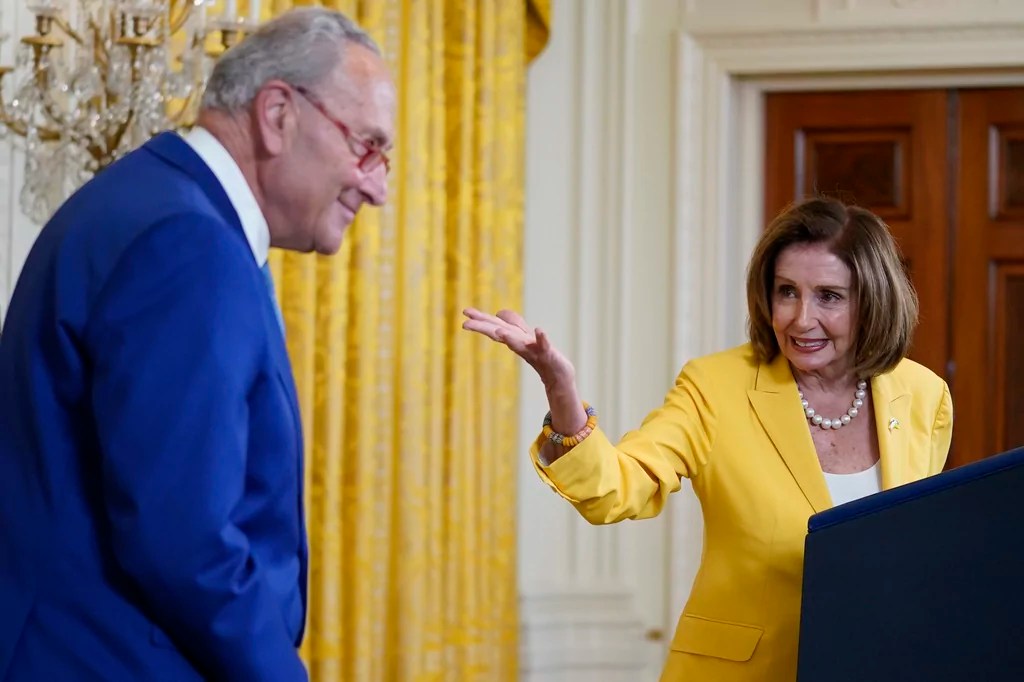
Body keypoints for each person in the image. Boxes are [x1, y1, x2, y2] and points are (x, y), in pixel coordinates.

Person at [0, 8, 393, 681]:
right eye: (368, 147)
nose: (377, 187)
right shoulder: (189, 245)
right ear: (277, 115)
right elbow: (181, 540)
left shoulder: (156, 204)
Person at [463, 197, 953, 681]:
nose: (801, 319)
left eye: (829, 296)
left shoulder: (922, 396)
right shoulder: (715, 386)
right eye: (786, 292)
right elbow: (616, 488)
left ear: (873, 301)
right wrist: (561, 390)